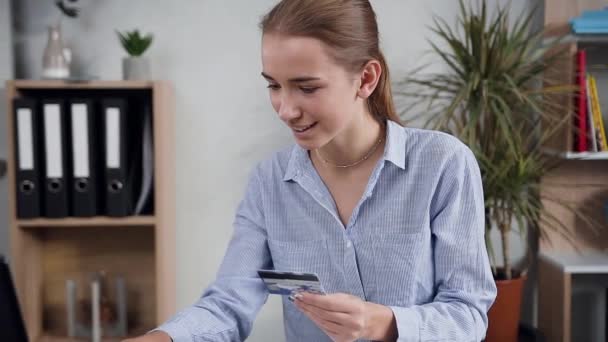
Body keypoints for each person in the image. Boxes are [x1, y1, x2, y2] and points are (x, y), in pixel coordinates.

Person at [125, 0, 497, 341]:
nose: (286, 109)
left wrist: (384, 322)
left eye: (306, 87)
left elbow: (467, 314)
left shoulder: (442, 164)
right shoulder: (270, 182)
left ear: (366, 79)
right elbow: (228, 304)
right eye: (273, 85)